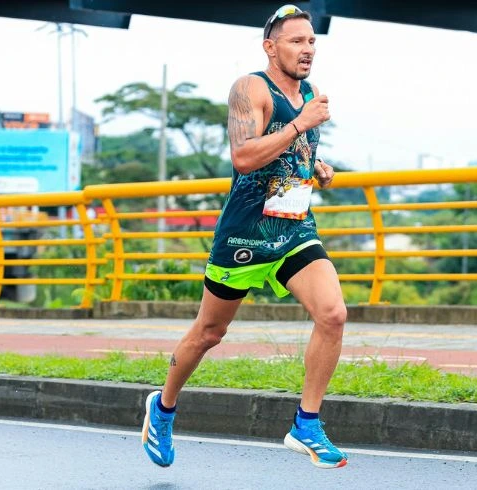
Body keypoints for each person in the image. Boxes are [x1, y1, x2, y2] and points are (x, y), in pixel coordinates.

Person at [141, 4, 348, 470]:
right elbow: (245, 156)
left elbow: (290, 149)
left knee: (333, 314)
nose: (308, 50)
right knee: (209, 333)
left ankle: (306, 424)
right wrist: (301, 124)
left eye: (312, 41)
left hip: (293, 230)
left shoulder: (311, 93)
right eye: (296, 41)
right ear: (270, 47)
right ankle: (164, 407)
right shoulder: (250, 88)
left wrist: (314, 165)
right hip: (246, 235)